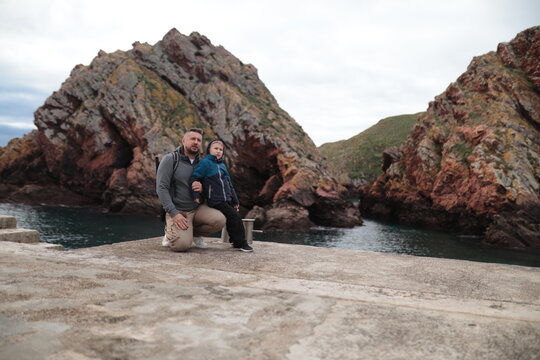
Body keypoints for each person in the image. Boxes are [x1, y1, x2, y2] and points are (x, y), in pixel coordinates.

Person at [156, 128, 226, 252]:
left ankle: (194, 234)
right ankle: (169, 232)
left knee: (219, 220)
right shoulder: (171, 159)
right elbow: (161, 188)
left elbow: (213, 186)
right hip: (178, 210)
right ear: (183, 140)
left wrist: (203, 188)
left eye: (199, 140)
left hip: (197, 208)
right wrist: (174, 213)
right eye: (192, 139)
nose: (196, 142)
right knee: (181, 246)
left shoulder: (203, 162)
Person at [190, 139, 253, 252]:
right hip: (215, 199)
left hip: (226, 199)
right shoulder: (205, 163)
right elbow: (195, 178)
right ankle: (241, 243)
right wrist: (196, 195)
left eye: (221, 149)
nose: (218, 151)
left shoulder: (222, 166)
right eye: (215, 148)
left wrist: (235, 200)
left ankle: (235, 241)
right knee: (235, 217)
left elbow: (229, 185)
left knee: (231, 218)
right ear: (209, 150)